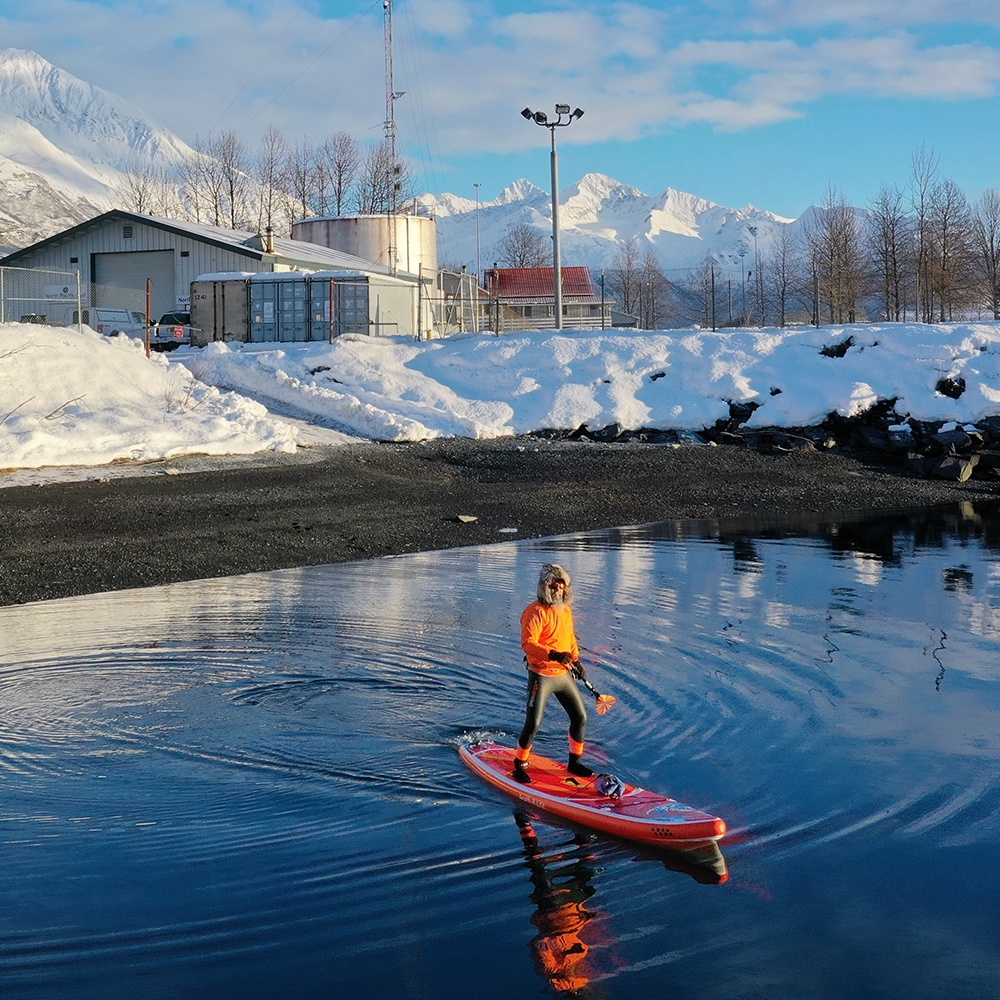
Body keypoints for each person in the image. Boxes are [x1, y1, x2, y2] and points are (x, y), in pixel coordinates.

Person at [514, 563, 594, 784]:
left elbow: (569, 639)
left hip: (563, 674)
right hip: (541, 674)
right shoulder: (535, 612)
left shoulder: (565, 611)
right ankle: (519, 765)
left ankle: (574, 762)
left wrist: (576, 662)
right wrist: (554, 655)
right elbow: (528, 644)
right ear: (545, 587)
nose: (558, 589)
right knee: (534, 723)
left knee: (580, 717)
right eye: (553, 585)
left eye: (561, 585)